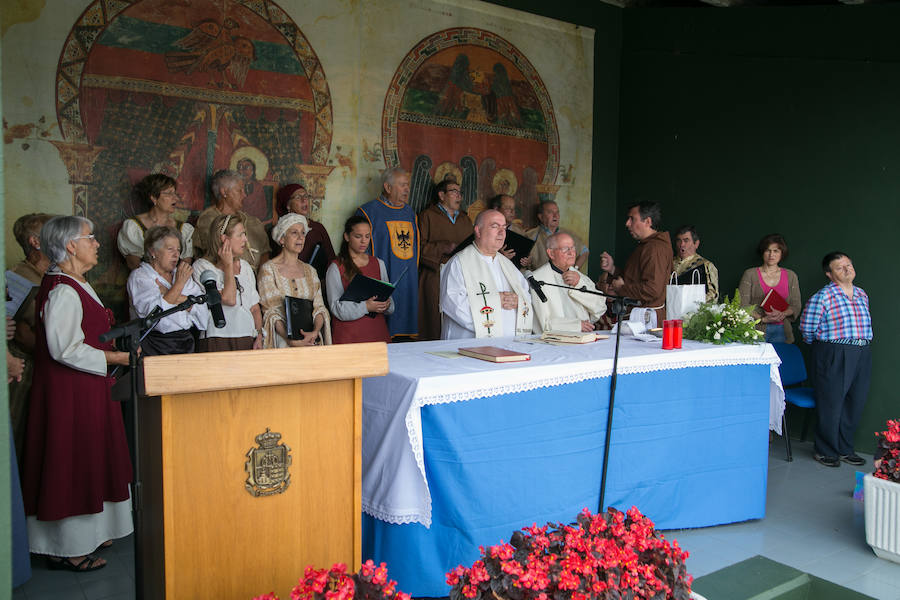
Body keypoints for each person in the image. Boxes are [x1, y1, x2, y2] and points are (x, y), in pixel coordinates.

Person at [22, 215, 132, 571]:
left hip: (85, 388)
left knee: (89, 459)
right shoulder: (62, 289)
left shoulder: (76, 282)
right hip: (69, 394)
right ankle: (68, 547)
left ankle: (90, 533)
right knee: (71, 461)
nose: (97, 243)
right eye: (91, 237)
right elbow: (64, 348)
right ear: (70, 245)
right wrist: (116, 357)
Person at [799, 252, 872, 468]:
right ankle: (825, 450)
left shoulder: (861, 294)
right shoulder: (822, 297)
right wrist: (827, 350)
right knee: (831, 402)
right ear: (830, 274)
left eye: (849, 264)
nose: (847, 269)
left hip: (862, 351)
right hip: (833, 351)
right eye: (840, 268)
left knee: (855, 402)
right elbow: (807, 329)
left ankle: (844, 448)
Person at [440, 209, 532, 339]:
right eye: (495, 226)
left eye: (504, 227)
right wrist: (494, 301)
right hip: (469, 344)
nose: (502, 232)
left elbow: (526, 296)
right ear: (478, 231)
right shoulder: (459, 263)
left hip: (509, 344)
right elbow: (452, 303)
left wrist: (518, 301)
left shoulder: (508, 265)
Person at [7, 212, 53, 464]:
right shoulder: (17, 277)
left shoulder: (52, 274)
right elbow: (22, 334)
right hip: (24, 371)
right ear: (35, 242)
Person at [126, 226, 209, 355]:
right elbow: (155, 317)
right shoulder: (141, 276)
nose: (176, 255)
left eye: (179, 250)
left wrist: (169, 294)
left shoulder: (180, 274)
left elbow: (203, 314)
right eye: (170, 249)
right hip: (156, 345)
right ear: (153, 251)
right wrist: (179, 286)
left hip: (186, 342)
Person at [357, 167, 419, 339]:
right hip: (382, 280)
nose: (407, 189)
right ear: (388, 187)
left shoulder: (410, 213)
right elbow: (361, 252)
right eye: (402, 185)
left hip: (408, 283)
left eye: (408, 185)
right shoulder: (368, 212)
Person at [192, 214, 263, 351]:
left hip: (247, 337)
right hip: (217, 338)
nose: (245, 239)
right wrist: (228, 265)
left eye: (245, 234)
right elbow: (229, 299)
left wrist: (259, 335)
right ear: (224, 239)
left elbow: (254, 308)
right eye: (240, 235)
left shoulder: (246, 267)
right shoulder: (202, 267)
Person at [258, 213, 331, 347]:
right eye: (294, 233)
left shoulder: (310, 271)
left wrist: (314, 332)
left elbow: (319, 308)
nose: (300, 237)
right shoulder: (268, 270)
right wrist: (289, 339)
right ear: (281, 239)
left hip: (311, 340)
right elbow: (271, 312)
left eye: (303, 233)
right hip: (283, 342)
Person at [598, 201, 672, 324]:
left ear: (647, 222)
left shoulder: (655, 248)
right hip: (639, 317)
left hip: (646, 321)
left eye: (632, 219)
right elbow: (635, 278)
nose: (627, 224)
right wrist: (612, 269)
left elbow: (652, 289)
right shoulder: (647, 245)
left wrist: (622, 288)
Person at [417, 179, 473, 340]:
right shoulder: (427, 215)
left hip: (461, 275)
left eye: (460, 192)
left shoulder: (465, 219)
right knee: (435, 319)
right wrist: (442, 247)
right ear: (441, 195)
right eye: (454, 191)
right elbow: (418, 248)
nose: (459, 196)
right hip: (435, 274)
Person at [325, 216, 393, 344]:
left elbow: (390, 302)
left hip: (377, 336)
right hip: (349, 338)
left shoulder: (379, 263)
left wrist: (387, 303)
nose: (364, 241)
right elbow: (336, 308)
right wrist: (366, 307)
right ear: (347, 237)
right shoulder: (336, 267)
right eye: (358, 236)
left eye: (367, 236)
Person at [531, 232, 606, 334]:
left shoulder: (580, 277)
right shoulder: (537, 279)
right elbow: (541, 322)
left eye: (573, 248)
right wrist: (576, 326)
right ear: (551, 253)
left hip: (583, 339)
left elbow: (600, 308)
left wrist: (579, 284)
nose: (572, 253)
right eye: (566, 249)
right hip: (554, 343)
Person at [194, 170, 269, 271]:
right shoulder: (209, 219)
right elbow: (215, 253)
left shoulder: (253, 222)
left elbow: (265, 254)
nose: (244, 195)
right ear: (224, 192)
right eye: (239, 191)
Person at [117, 174, 193, 270]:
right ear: (154, 198)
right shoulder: (134, 226)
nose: (175, 199)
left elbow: (186, 265)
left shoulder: (183, 229)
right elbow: (134, 264)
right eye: (169, 193)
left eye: (175, 194)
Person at [275, 183, 336, 298]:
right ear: (288, 205)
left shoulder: (318, 228)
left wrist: (324, 284)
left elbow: (331, 259)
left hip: (319, 287)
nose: (304, 200)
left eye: (306, 196)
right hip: (291, 288)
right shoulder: (281, 230)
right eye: (298, 197)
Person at [738, 234, 801, 344]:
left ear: (782, 253)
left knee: (782, 359)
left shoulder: (791, 276)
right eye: (768, 250)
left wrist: (783, 314)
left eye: (776, 251)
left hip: (783, 331)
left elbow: (796, 305)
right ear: (762, 252)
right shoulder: (750, 274)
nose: (771, 255)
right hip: (755, 331)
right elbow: (742, 305)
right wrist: (762, 319)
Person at [526, 201, 588, 270]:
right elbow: (524, 261)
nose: (555, 215)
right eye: (550, 212)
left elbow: (584, 251)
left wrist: (574, 270)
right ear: (541, 217)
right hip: (541, 278)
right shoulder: (531, 235)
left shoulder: (568, 234)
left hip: (566, 278)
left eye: (557, 212)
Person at [672, 225, 719, 303]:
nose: (682, 245)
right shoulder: (667, 263)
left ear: (696, 244)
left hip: (694, 312)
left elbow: (712, 295)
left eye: (686, 240)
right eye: (679, 240)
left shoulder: (705, 265)